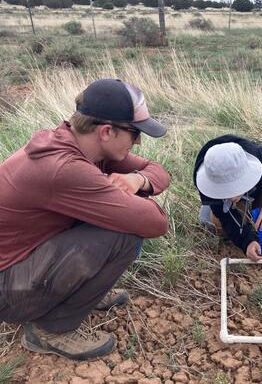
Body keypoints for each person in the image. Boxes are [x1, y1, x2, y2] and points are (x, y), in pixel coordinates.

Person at [0, 78, 170, 360]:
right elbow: (156, 223)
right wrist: (137, 193)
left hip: (18, 266)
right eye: (134, 133)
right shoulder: (65, 168)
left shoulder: (81, 144)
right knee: (123, 234)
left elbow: (158, 172)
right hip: (7, 289)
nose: (138, 140)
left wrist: (137, 179)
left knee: (117, 213)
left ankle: (79, 292)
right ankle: (49, 330)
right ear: (106, 131)